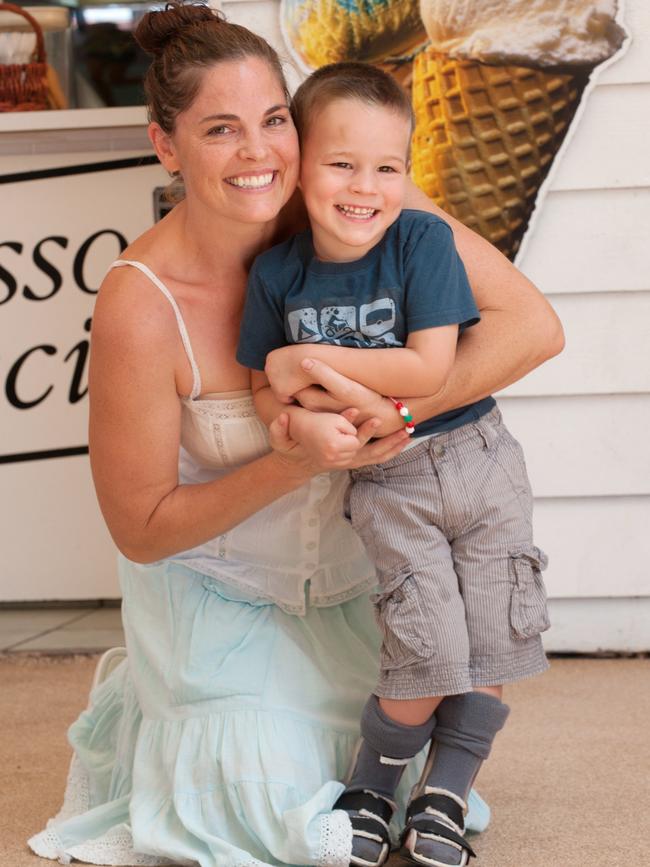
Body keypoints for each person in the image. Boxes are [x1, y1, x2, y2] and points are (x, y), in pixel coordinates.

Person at [26, 4, 563, 867]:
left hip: (355, 579)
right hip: (223, 599)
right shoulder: (140, 300)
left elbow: (531, 326)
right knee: (278, 813)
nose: (261, 153)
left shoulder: (354, 196)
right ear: (166, 145)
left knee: (398, 762)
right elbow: (139, 524)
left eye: (275, 119)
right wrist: (290, 460)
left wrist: (402, 411)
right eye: (221, 130)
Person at [236, 62, 551, 867]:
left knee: (492, 640)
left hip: (479, 461)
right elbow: (258, 383)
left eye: (388, 167)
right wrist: (282, 420)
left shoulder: (422, 240)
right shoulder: (278, 273)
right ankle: (372, 787)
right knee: (424, 644)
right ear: (301, 161)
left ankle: (445, 791)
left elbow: (423, 370)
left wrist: (309, 362)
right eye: (342, 163)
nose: (365, 187)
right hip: (389, 479)